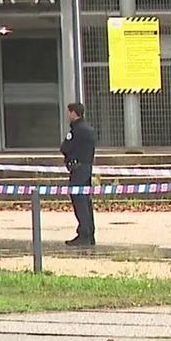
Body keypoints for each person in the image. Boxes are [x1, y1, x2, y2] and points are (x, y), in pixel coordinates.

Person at [60, 102, 97, 247]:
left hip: (78, 169)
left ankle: (84, 234)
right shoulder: (89, 129)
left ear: (74, 113)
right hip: (87, 167)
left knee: (79, 201)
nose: (68, 115)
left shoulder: (76, 130)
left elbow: (65, 147)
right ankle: (90, 233)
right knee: (86, 201)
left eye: (69, 112)